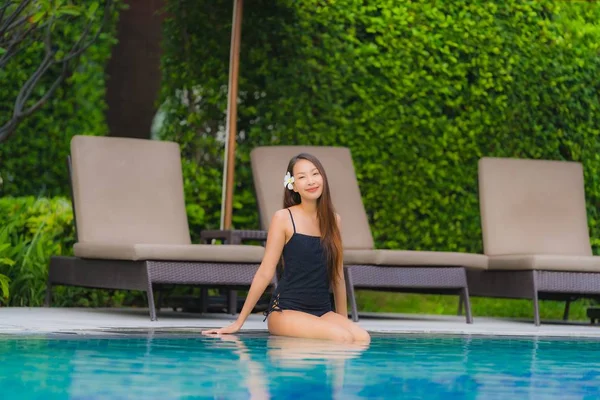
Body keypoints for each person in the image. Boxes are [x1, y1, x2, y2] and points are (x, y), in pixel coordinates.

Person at [202, 153, 370, 343]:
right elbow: (265, 272)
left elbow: (337, 276)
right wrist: (238, 323)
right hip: (286, 311)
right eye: (302, 177)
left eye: (315, 174)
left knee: (361, 338)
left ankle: (334, 371)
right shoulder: (283, 218)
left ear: (323, 177)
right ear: (293, 185)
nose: (310, 181)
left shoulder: (334, 221)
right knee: (341, 337)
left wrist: (342, 319)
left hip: (322, 311)